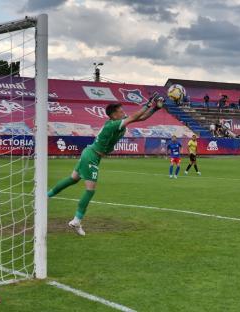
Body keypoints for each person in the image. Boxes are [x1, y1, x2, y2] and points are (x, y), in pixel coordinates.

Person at [47, 93, 163, 236]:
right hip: (92, 156)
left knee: (73, 179)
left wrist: (155, 108)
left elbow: (141, 117)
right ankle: (77, 220)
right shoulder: (113, 125)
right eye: (120, 111)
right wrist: (147, 104)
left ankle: (46, 196)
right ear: (113, 115)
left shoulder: (118, 122)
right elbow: (134, 116)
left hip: (90, 153)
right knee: (90, 190)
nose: (123, 113)